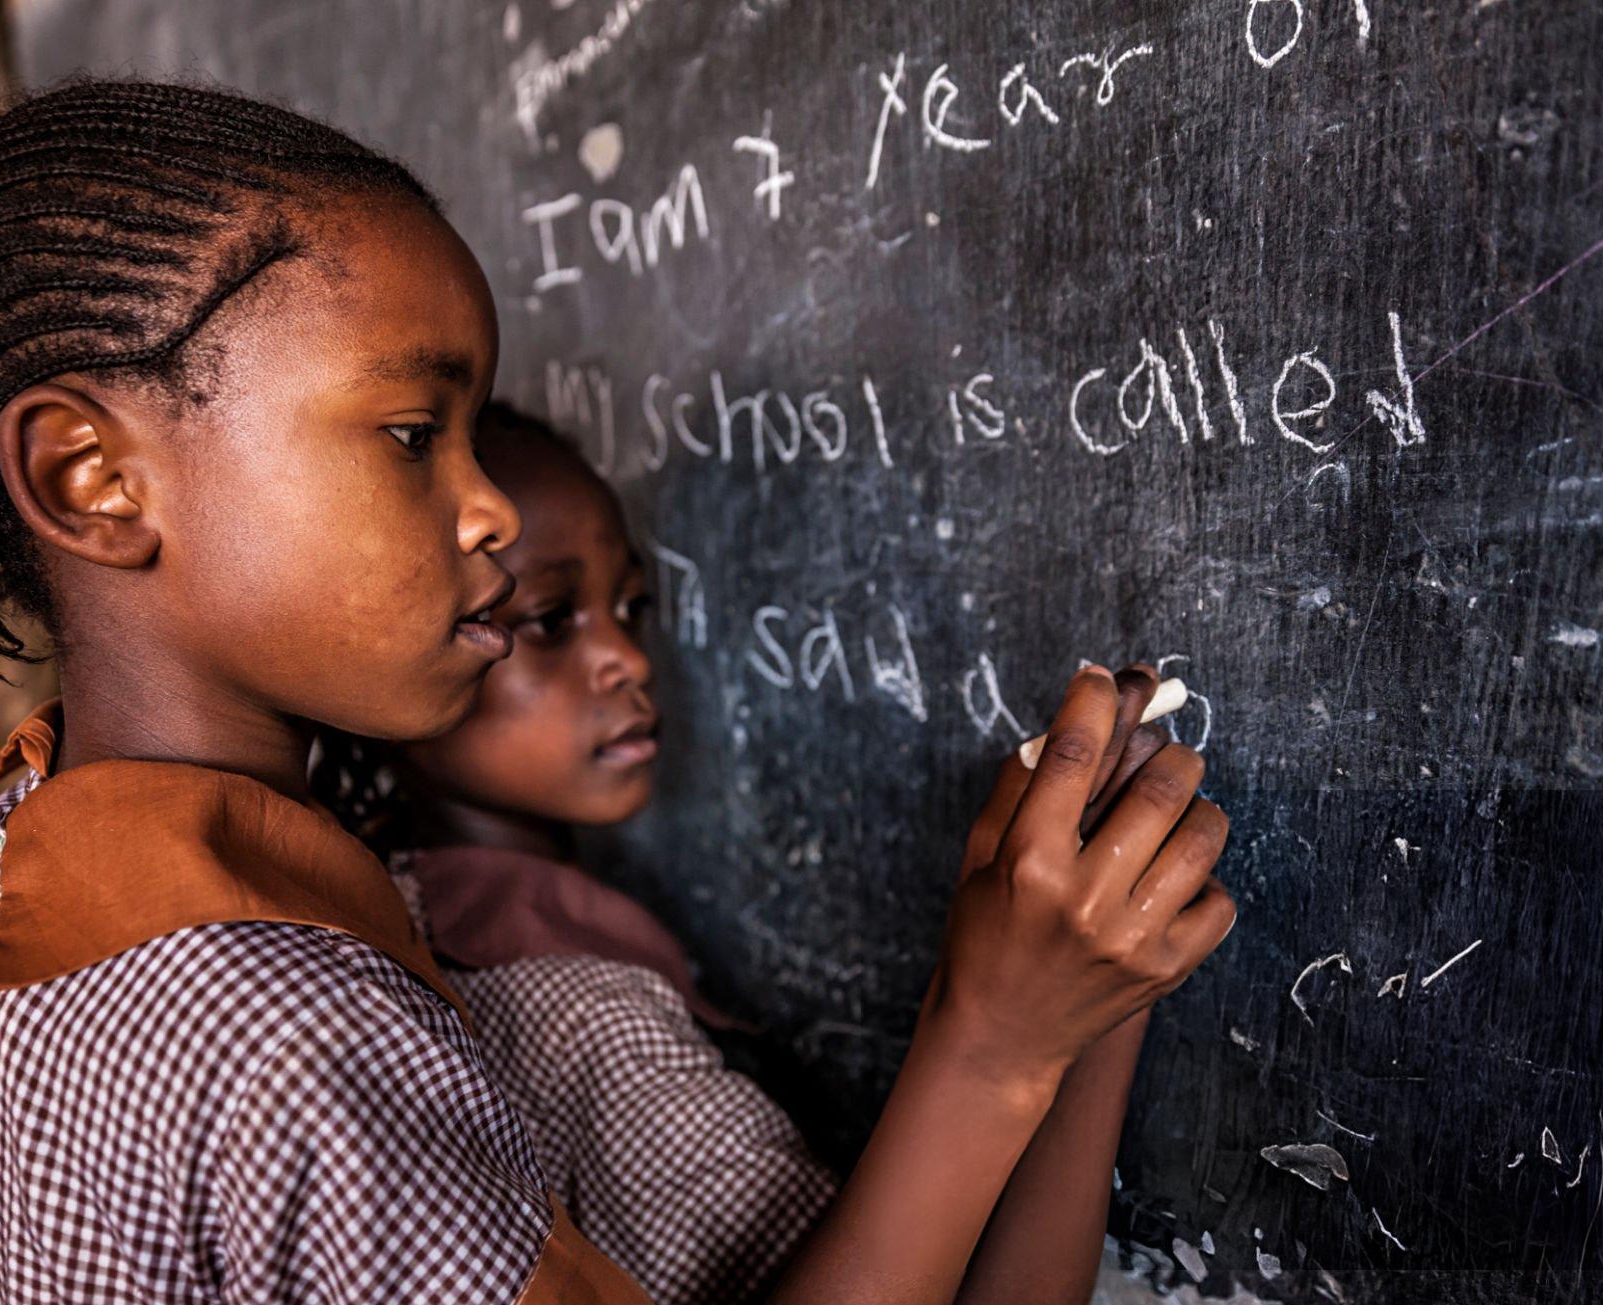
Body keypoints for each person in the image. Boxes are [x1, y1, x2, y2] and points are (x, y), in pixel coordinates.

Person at [0, 78, 1235, 1303]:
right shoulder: (303, 1038)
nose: (484, 509)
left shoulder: (28, 850)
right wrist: (994, 1044)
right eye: (411, 434)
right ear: (90, 478)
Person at [336, 404, 1199, 1304]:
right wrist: (1039, 1030)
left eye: (631, 608)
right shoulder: (579, 1017)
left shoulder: (408, 909)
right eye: (552, 618)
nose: (628, 658)